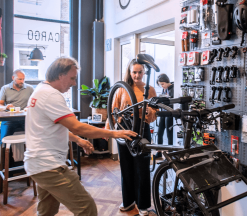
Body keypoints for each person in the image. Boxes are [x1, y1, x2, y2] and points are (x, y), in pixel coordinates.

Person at [24, 56, 136, 216]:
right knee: (86, 208)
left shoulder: (40, 91)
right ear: (60, 75)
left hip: (38, 164)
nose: (74, 83)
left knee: (46, 211)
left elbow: (51, 128)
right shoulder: (51, 96)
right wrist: (114, 132)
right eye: (72, 78)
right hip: (49, 166)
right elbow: (77, 126)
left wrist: (78, 140)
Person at [105, 59, 158, 215]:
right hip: (124, 130)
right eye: (134, 72)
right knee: (126, 166)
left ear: (144, 72)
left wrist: (150, 112)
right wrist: (107, 131)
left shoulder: (150, 89)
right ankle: (128, 202)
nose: (137, 75)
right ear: (129, 72)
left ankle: (143, 205)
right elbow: (113, 109)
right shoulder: (122, 88)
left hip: (142, 129)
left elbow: (155, 113)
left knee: (142, 168)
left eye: (140, 72)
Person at [0, 69, 34, 163]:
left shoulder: (29, 88)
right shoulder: (5, 88)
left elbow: (35, 102)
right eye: (19, 79)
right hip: (10, 119)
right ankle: (9, 166)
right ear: (13, 78)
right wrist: (6, 106)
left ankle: (31, 163)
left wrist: (30, 107)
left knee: (34, 138)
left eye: (23, 79)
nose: (22, 81)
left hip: (25, 118)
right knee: (4, 141)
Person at [154, 73, 174, 159]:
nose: (162, 86)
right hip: (163, 112)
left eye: (162, 84)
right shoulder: (164, 89)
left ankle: (170, 153)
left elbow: (173, 102)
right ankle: (159, 152)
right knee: (159, 133)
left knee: (169, 134)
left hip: (170, 113)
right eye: (160, 85)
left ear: (167, 81)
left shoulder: (173, 89)